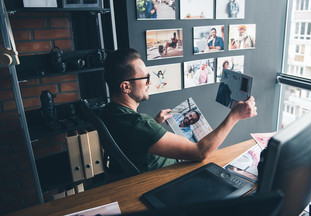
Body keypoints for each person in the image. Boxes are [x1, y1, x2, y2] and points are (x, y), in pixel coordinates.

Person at [102, 48, 257, 173]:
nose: (150, 82)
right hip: (170, 176)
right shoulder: (139, 124)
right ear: (126, 86)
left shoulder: (108, 112)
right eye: (146, 78)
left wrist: (155, 123)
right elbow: (200, 152)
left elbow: (134, 139)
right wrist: (235, 115)